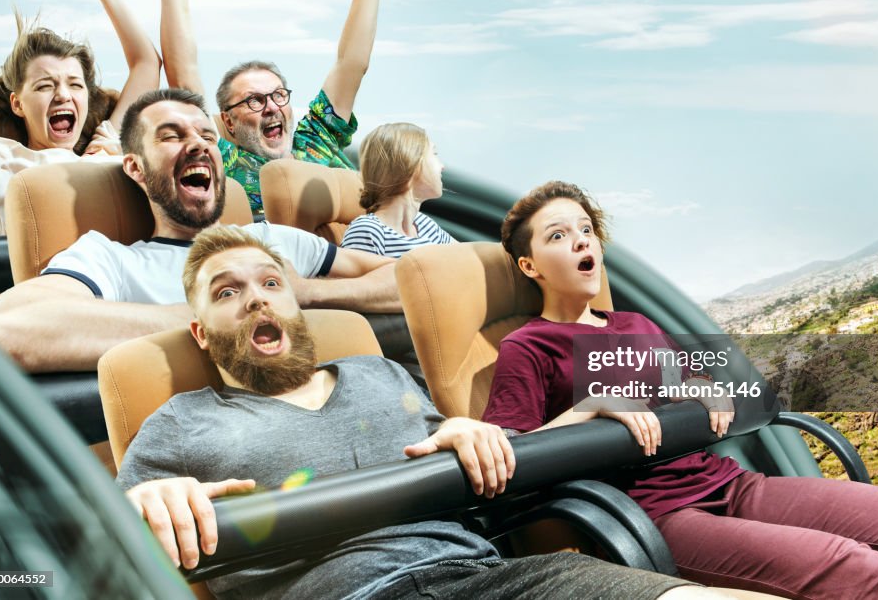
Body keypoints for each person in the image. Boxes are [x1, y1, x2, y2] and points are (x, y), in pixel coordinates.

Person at [118, 223, 747, 600]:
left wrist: (564, 418)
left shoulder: (379, 373)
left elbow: (491, 477)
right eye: (229, 292)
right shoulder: (179, 421)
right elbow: (91, 552)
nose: (257, 299)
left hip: (488, 578)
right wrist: (138, 508)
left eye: (271, 283)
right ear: (200, 333)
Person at [481, 180, 878, 600]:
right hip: (657, 514)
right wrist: (591, 408)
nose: (581, 242)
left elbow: (681, 381)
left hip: (730, 483)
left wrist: (701, 387)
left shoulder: (638, 322)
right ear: (531, 266)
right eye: (558, 235)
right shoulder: (528, 346)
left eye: (586, 230)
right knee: (862, 571)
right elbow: (508, 458)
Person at [0, 89, 400, 373]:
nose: (197, 145)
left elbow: (411, 279)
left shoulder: (275, 241)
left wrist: (306, 293)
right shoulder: (111, 260)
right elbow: (5, 329)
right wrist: (222, 315)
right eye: (171, 136)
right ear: (136, 169)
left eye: (206, 136)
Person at [136, 0, 403, 214]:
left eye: (278, 95)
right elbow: (183, 75)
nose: (272, 107)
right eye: (254, 100)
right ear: (228, 123)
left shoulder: (315, 139)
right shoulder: (225, 162)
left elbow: (351, 63)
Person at [0, 0, 161, 235]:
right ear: (17, 104)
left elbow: (147, 63)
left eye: (75, 84)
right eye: (45, 85)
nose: (63, 95)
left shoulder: (104, 148)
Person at [342, 122, 453, 257]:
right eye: (434, 153)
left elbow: (470, 258)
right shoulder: (368, 232)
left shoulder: (425, 225)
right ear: (410, 161)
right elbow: (355, 278)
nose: (442, 166)